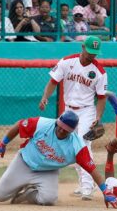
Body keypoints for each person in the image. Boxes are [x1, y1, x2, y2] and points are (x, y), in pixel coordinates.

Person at [0, 110, 117, 208]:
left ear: (71, 131)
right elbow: (19, 125)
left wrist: (106, 191)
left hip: (48, 171)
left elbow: (93, 170)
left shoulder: (77, 147)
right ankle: (19, 184)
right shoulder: (42, 124)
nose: (60, 130)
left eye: (65, 130)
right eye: (59, 126)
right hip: (24, 162)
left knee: (48, 199)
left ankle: (28, 194)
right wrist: (3, 143)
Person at [39, 35, 108, 200]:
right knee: (69, 146)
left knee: (83, 144)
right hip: (68, 111)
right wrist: (45, 97)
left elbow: (102, 97)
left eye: (95, 53)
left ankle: (87, 187)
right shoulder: (67, 61)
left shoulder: (100, 72)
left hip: (87, 111)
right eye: (89, 51)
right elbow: (53, 81)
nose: (92, 55)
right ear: (82, 47)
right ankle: (83, 183)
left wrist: (97, 117)